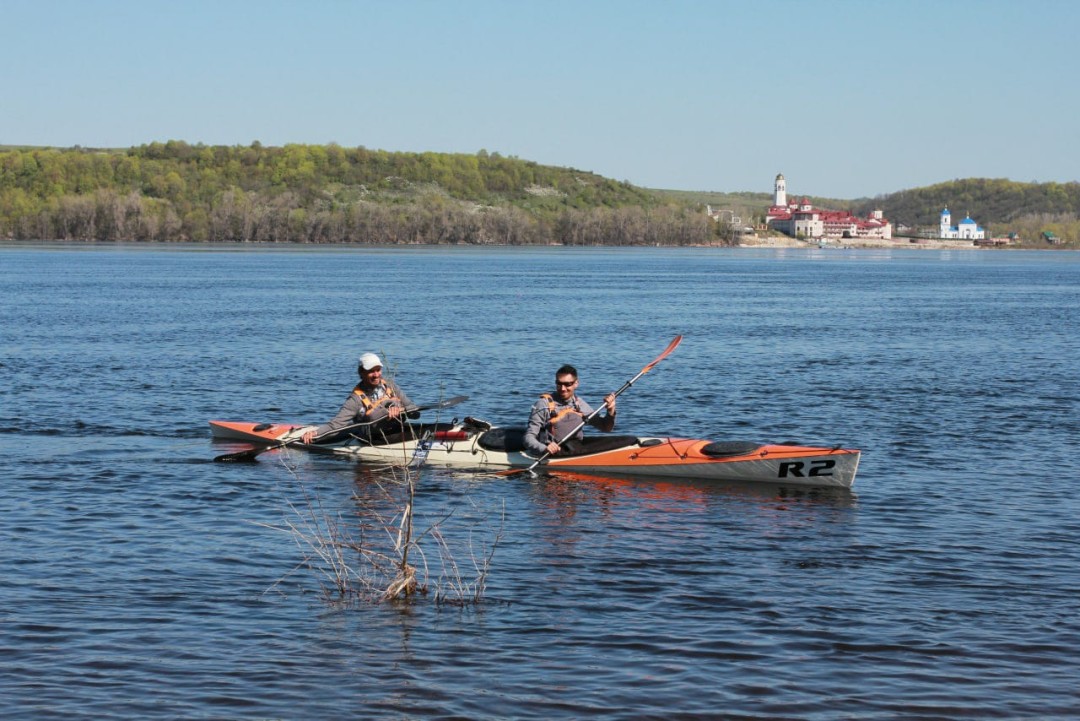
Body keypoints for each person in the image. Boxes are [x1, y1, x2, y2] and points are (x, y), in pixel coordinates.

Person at [295, 352, 415, 444]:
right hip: (373, 440)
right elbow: (335, 425)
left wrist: (400, 409)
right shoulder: (355, 400)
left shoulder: (390, 386)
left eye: (378, 370)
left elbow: (415, 412)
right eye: (371, 371)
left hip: (397, 431)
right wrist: (314, 433)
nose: (376, 375)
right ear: (361, 373)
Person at [523, 364, 616, 457]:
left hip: (575, 449)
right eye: (559, 384)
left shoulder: (580, 404)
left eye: (568, 384)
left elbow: (606, 428)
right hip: (549, 453)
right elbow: (528, 438)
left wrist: (611, 410)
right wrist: (543, 448)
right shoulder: (543, 404)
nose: (563, 388)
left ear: (576, 383)